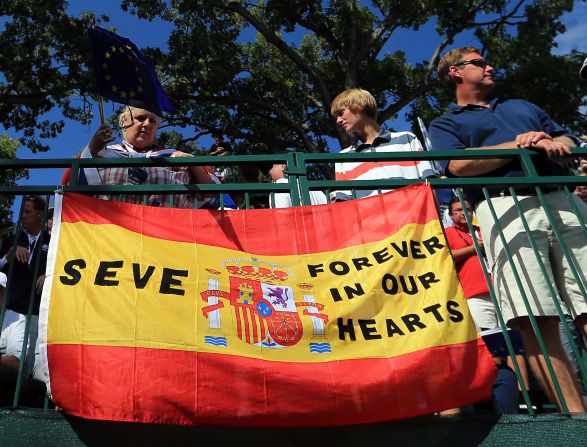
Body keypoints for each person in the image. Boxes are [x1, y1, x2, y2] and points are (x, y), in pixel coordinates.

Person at [429, 46, 587, 412]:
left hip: (564, 199)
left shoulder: (521, 106)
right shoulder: (446, 123)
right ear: (455, 72)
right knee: (537, 317)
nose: (490, 66)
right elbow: (456, 167)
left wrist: (551, 142)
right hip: (505, 205)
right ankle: (576, 420)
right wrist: (518, 144)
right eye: (480, 63)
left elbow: (566, 139)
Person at [71, 106, 216, 208]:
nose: (147, 124)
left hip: (165, 240)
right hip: (111, 238)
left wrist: (193, 163)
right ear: (124, 121)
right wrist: (90, 151)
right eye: (141, 118)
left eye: (153, 121)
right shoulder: (103, 154)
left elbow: (215, 194)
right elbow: (72, 190)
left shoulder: (174, 156)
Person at [330, 88, 435, 201]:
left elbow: (429, 185)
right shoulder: (343, 157)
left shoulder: (407, 139)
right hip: (370, 218)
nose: (338, 120)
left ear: (360, 105)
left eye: (341, 113)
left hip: (413, 217)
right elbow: (344, 204)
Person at [0, 196, 49, 316]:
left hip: (38, 311)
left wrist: (49, 276)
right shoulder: (10, 240)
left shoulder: (53, 242)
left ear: (40, 215)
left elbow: (62, 267)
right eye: (21, 212)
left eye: (27, 212)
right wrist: (7, 257)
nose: (22, 215)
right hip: (10, 310)